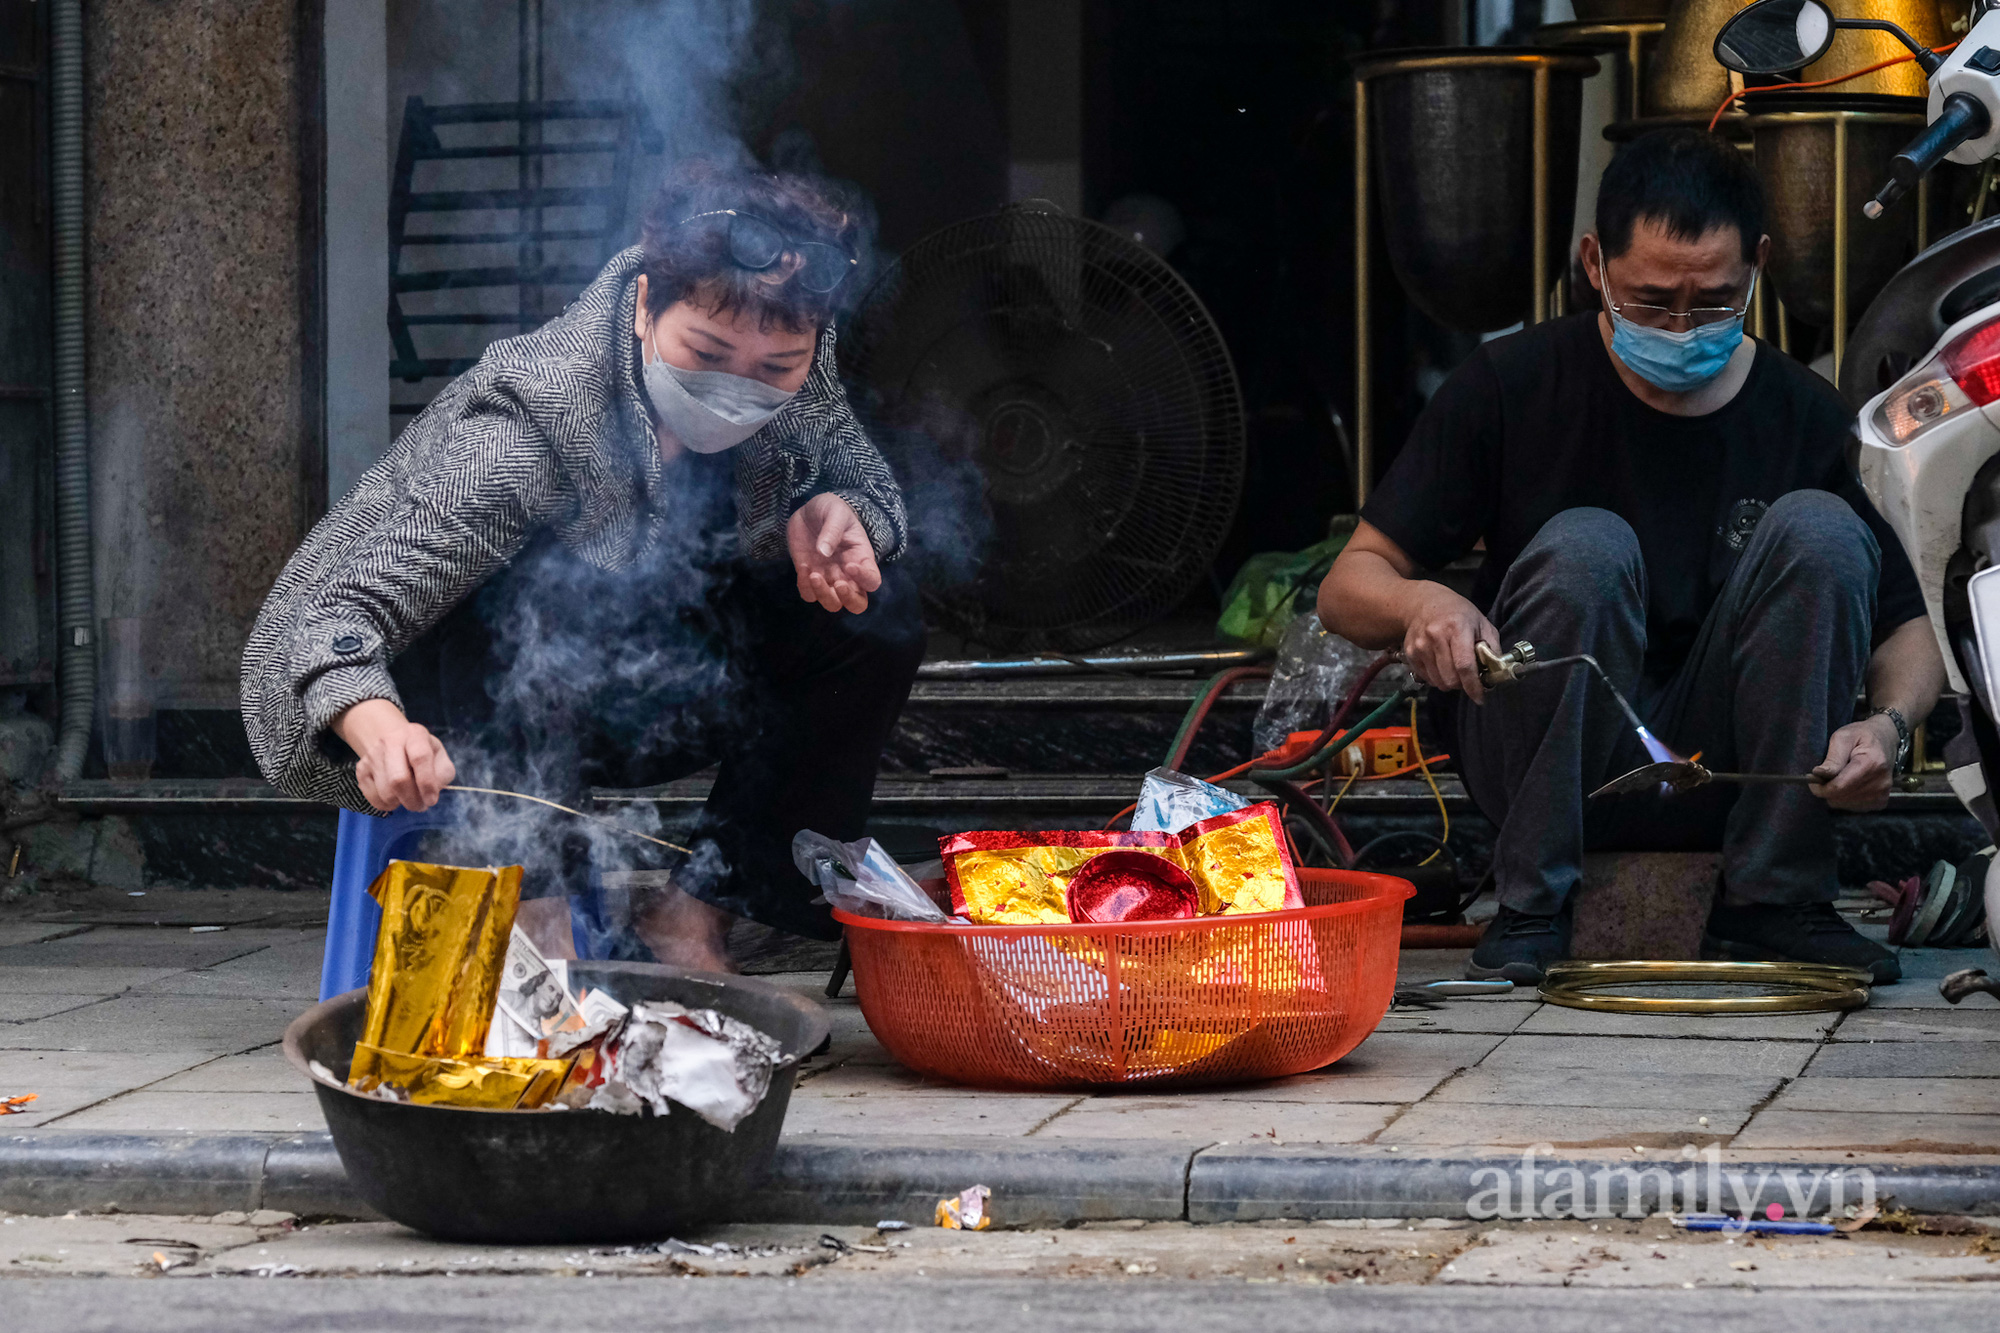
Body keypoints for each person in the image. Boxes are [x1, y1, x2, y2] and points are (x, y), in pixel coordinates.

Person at [242, 161, 924, 972]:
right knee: (524, 598)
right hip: (433, 704)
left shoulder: (798, 359)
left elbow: (865, 477)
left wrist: (844, 514)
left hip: (641, 682)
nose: (738, 386)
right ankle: (537, 917)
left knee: (875, 616)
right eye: (705, 352)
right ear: (643, 307)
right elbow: (337, 613)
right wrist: (378, 726)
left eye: (774, 369)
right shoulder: (532, 421)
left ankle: (697, 912)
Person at [1317, 128, 1944, 985]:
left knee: (1822, 530)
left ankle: (1774, 900)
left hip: (1735, 770)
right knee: (1588, 545)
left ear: (1758, 264)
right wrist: (1424, 604)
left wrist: (1889, 726)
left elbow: (1909, 632)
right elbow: (1348, 585)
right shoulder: (1510, 386)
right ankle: (1534, 902)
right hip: (1552, 756)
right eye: (1651, 302)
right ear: (1594, 263)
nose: (1683, 329)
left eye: (1715, 302)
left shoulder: (1803, 414)